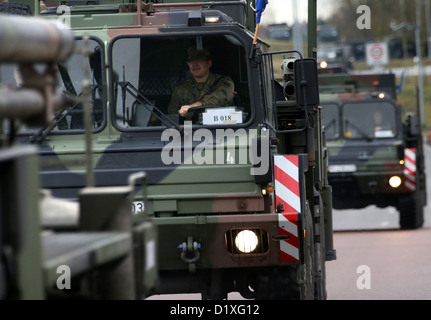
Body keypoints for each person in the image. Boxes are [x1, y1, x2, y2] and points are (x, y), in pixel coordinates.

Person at [167, 46, 235, 120]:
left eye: (199, 60)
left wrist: (193, 106)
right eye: (191, 61)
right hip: (189, 129)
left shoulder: (224, 82)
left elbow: (216, 98)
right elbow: (172, 117)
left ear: (209, 63)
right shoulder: (180, 89)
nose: (194, 64)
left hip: (220, 129)